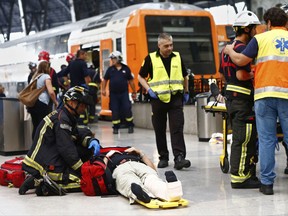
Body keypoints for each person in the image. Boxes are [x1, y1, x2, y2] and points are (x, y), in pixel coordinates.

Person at [224, 7, 288, 195]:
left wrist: (229, 49)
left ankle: (267, 184)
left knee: (267, 140)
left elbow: (241, 60)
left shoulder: (260, 39)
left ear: (268, 23)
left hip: (264, 97)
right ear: (285, 23)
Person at [19, 86, 101, 196]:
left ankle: (39, 179)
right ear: (71, 103)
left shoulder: (65, 116)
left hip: (47, 157)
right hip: (42, 166)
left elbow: (76, 134)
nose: (84, 108)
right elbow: (66, 149)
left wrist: (90, 141)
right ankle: (40, 182)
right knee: (83, 182)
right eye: (82, 105)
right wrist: (83, 170)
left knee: (86, 151)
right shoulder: (61, 120)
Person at [219, 11, 261, 189]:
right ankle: (240, 177)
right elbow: (241, 74)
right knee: (244, 138)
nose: (256, 32)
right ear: (247, 28)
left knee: (239, 137)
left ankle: (242, 173)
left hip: (232, 98)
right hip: (242, 99)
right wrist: (257, 72)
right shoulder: (242, 49)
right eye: (254, 28)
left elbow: (223, 74)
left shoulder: (227, 49)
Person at [138, 33, 190, 170]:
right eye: (166, 46)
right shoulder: (151, 58)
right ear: (159, 46)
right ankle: (163, 157)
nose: (169, 48)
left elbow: (185, 75)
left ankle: (179, 157)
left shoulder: (177, 57)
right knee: (159, 130)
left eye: (171, 45)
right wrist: (149, 90)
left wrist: (186, 91)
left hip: (175, 98)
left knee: (177, 128)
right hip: (158, 100)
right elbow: (140, 77)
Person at [104, 147, 183, 204]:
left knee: (151, 178)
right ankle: (142, 194)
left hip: (139, 164)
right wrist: (106, 157)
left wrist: (141, 153)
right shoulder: (107, 156)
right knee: (130, 182)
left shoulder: (132, 153)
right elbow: (102, 172)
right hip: (120, 168)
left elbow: (153, 170)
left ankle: (173, 190)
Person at [101, 51, 136, 134]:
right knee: (115, 110)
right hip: (113, 94)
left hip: (124, 93)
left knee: (127, 108)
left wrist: (134, 91)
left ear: (119, 59)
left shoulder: (126, 68)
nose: (112, 61)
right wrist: (103, 89)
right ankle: (116, 127)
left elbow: (131, 81)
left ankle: (130, 125)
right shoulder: (110, 69)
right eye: (111, 59)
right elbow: (105, 80)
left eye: (114, 59)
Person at [27, 60, 58, 139]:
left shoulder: (34, 77)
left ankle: (34, 145)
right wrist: (55, 102)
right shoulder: (46, 77)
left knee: (36, 125)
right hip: (42, 104)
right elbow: (51, 92)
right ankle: (43, 146)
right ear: (46, 68)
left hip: (33, 104)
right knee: (44, 125)